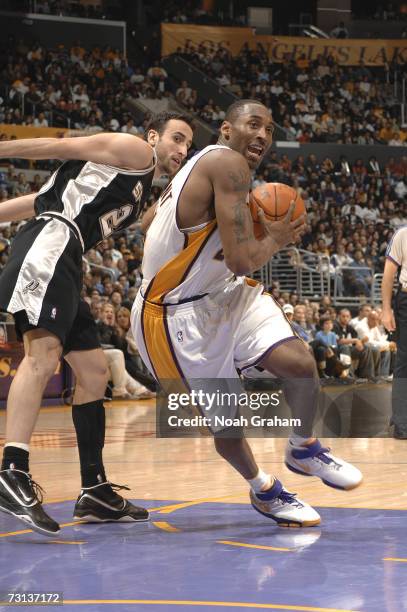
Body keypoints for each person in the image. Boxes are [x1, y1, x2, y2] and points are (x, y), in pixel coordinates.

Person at [131, 99, 362, 529]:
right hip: (174, 316)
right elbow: (241, 260)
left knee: (298, 362)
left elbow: (150, 226)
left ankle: (302, 446)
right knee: (227, 423)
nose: (262, 135)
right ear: (225, 128)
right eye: (253, 124)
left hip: (224, 293)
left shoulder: (201, 167)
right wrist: (273, 237)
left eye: (269, 130)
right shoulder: (228, 165)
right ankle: (263, 488)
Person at [0, 111, 194, 535]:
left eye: (188, 146)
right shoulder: (133, 149)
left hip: (66, 253)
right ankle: (11, 471)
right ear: (152, 135)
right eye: (176, 139)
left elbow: (37, 199)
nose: (181, 150)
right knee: (42, 354)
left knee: (94, 371)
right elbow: (57, 146)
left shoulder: (139, 186)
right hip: (50, 243)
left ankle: (93, 490)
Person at [382, 226, 407, 438]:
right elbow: (389, 273)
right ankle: (402, 424)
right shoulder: (403, 233)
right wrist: (386, 309)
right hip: (406, 300)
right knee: (404, 362)